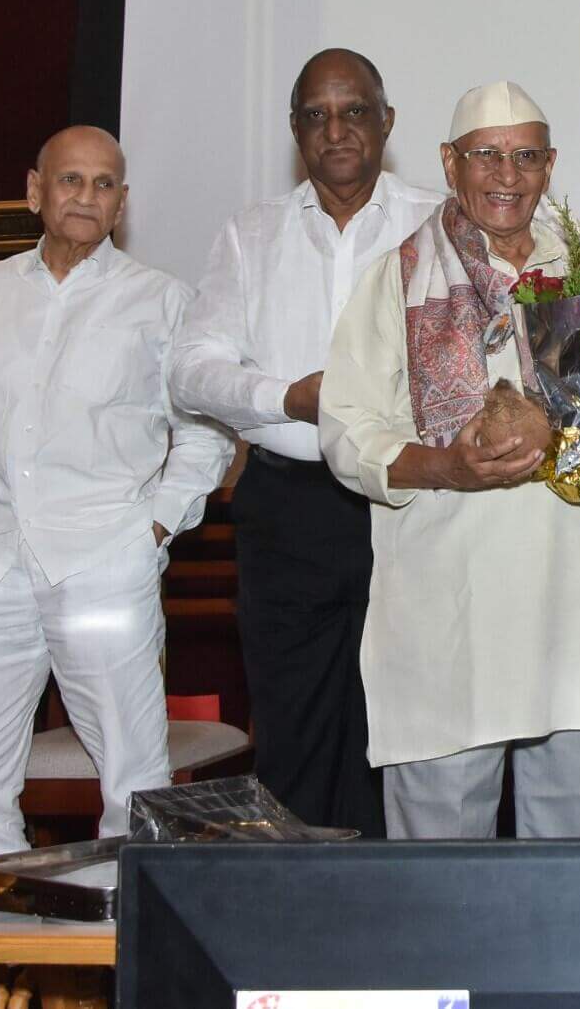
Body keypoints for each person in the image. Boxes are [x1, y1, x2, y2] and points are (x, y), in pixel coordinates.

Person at [319, 81, 580, 838]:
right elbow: (345, 430)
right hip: (446, 602)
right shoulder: (399, 278)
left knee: (569, 846)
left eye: (526, 156)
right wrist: (447, 468)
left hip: (570, 597)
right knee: (441, 855)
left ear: (549, 166)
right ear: (449, 162)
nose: (507, 175)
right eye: (486, 156)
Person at [0, 126, 233, 889]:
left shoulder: (161, 300)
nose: (87, 196)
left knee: (133, 774)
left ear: (122, 203)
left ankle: (119, 934)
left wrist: (152, 530)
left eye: (104, 184)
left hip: (103, 564)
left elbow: (204, 435)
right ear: (35, 191)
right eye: (70, 180)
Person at [169, 48, 440, 833]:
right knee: (293, 727)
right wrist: (285, 397)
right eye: (317, 115)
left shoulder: (438, 221)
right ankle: (302, 899)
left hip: (409, 505)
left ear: (387, 123)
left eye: (354, 111)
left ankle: (397, 897)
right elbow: (190, 371)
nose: (337, 130)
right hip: (289, 510)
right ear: (295, 131)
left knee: (409, 724)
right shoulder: (251, 234)